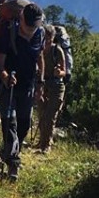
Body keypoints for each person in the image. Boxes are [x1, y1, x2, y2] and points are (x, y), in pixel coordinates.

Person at [0, 2, 45, 181]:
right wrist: (6, 77)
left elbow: (40, 58)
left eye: (34, 26)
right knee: (11, 126)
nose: (31, 30)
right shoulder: (9, 33)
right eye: (28, 26)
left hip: (28, 88)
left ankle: (9, 152)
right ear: (21, 19)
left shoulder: (40, 34)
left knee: (23, 127)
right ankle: (13, 164)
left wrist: (40, 84)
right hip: (9, 88)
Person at [36, 24, 67, 152]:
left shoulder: (57, 51)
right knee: (42, 114)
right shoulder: (39, 49)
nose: (47, 40)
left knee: (50, 115)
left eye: (49, 38)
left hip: (56, 86)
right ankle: (42, 142)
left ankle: (46, 145)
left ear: (53, 37)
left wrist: (58, 72)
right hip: (42, 85)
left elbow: (64, 71)